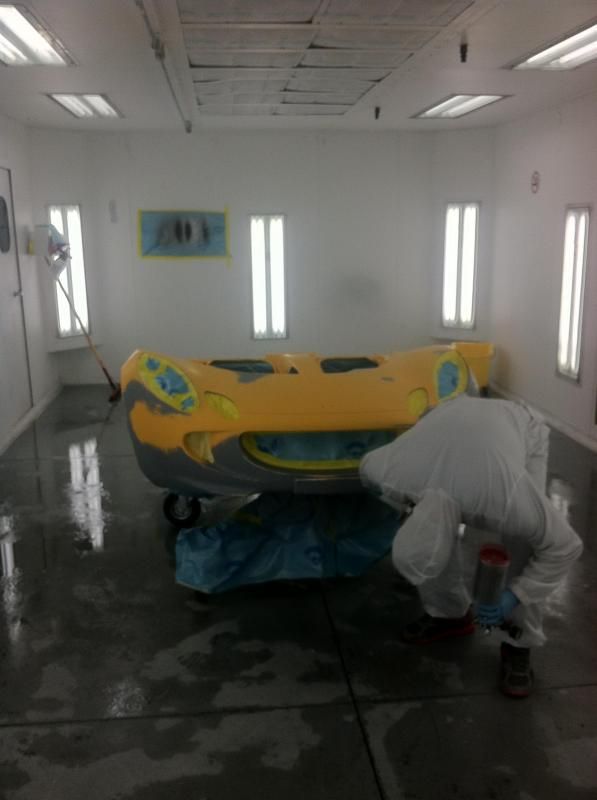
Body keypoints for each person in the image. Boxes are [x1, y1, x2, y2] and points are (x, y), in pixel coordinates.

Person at [359, 394, 583, 698]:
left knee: (525, 540)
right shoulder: (387, 471)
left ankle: (519, 643)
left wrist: (516, 595)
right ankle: (448, 614)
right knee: (431, 535)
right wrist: (409, 507)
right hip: (452, 413)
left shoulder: (506, 498)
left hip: (520, 426)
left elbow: (566, 546)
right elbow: (366, 472)